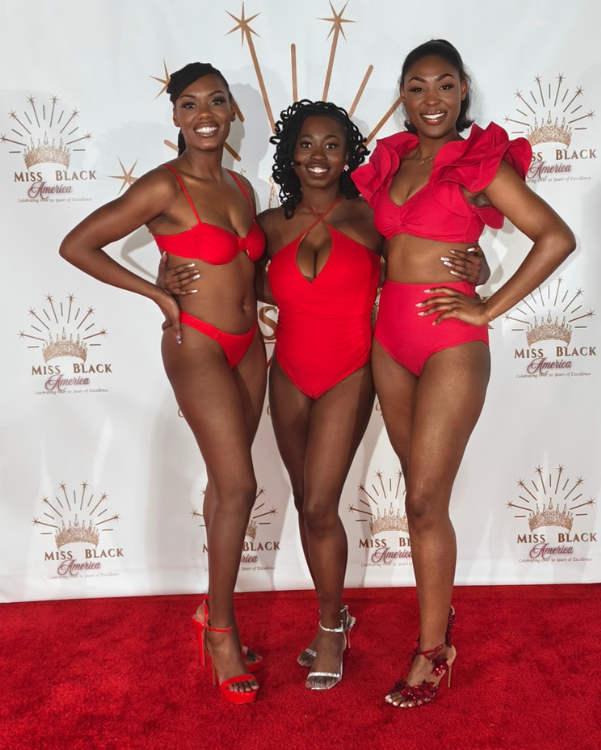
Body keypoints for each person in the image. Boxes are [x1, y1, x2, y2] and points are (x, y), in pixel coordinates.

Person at [164, 99, 489, 691]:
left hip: (351, 372)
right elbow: (227, 275)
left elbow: (426, 256)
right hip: (286, 372)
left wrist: (479, 268)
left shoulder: (373, 219)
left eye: (332, 145)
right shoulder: (266, 225)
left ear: (350, 154)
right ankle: (328, 616)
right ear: (290, 153)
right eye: (306, 145)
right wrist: (170, 275)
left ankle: (333, 628)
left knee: (319, 506)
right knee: (304, 504)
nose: (319, 156)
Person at [352, 39, 576, 707]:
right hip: (388, 340)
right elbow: (378, 239)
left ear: (462, 94)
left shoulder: (478, 162)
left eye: (445, 86)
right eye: (417, 87)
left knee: (422, 500)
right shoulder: (390, 160)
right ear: (402, 95)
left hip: (450, 341)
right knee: (419, 498)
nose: (431, 101)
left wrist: (488, 303)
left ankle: (433, 651)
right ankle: (437, 617)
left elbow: (555, 236)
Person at [59, 62, 265, 704]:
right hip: (197, 344)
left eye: (217, 102)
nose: (205, 113)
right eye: (190, 103)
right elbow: (78, 244)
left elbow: (247, 267)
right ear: (175, 116)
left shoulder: (240, 185)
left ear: (233, 113)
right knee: (239, 485)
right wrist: (157, 295)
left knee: (227, 485)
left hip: (250, 346)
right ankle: (222, 632)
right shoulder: (163, 186)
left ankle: (211, 608)